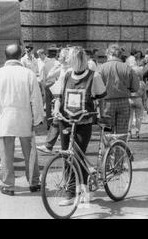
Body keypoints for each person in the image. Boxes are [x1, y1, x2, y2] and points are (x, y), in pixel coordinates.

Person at [0, 44, 44, 196]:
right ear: (19, 56)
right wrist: (38, 120)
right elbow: (36, 99)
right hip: (25, 119)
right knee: (29, 153)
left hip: (6, 119)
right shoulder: (28, 74)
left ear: (5, 56)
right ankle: (34, 182)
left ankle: (8, 185)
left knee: (6, 154)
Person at [51, 46, 107, 205]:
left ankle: (81, 190)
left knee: (78, 155)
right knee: (67, 156)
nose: (67, 61)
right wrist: (56, 111)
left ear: (77, 60)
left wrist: (101, 115)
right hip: (65, 120)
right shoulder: (66, 75)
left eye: (70, 58)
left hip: (84, 122)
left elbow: (101, 97)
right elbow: (58, 97)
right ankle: (71, 192)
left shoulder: (93, 76)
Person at [99, 44, 139, 141]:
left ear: (109, 54)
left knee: (107, 132)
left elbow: (97, 88)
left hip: (107, 103)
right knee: (122, 133)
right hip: (124, 102)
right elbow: (135, 87)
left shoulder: (101, 68)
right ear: (119, 55)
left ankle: (108, 154)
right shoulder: (127, 68)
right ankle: (119, 154)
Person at [37, 47, 71, 154]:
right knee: (56, 121)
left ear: (65, 58)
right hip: (59, 98)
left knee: (62, 122)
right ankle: (49, 146)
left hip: (66, 99)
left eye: (60, 55)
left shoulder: (70, 70)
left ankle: (56, 146)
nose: (58, 57)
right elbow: (49, 76)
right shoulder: (62, 68)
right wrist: (57, 66)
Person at [128, 66, 148, 139]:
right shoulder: (142, 83)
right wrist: (145, 102)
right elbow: (144, 95)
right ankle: (137, 132)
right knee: (138, 117)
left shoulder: (129, 81)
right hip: (139, 99)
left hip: (130, 99)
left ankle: (129, 132)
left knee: (130, 117)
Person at [41, 46, 59, 129]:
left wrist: (43, 87)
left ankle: (49, 123)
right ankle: (56, 122)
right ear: (56, 54)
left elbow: (42, 78)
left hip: (47, 85)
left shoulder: (45, 64)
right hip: (55, 85)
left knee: (48, 105)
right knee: (57, 104)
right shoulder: (58, 63)